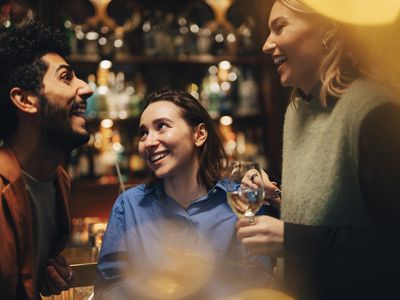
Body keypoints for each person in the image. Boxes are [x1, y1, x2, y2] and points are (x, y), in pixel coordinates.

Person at [236, 0, 400, 299]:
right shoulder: (298, 110)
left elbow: (391, 248)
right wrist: (278, 199)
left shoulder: (374, 112)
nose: (265, 44)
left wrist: (293, 240)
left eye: (279, 27)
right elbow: (338, 213)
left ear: (329, 28)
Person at [95, 89, 272, 300]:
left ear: (199, 135)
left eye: (162, 126)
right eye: (143, 132)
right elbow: (108, 288)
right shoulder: (129, 205)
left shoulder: (242, 201)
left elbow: (259, 280)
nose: (148, 142)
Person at [0, 21, 93, 299]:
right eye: (66, 77)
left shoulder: (57, 180)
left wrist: (40, 272)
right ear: (25, 100)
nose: (86, 88)